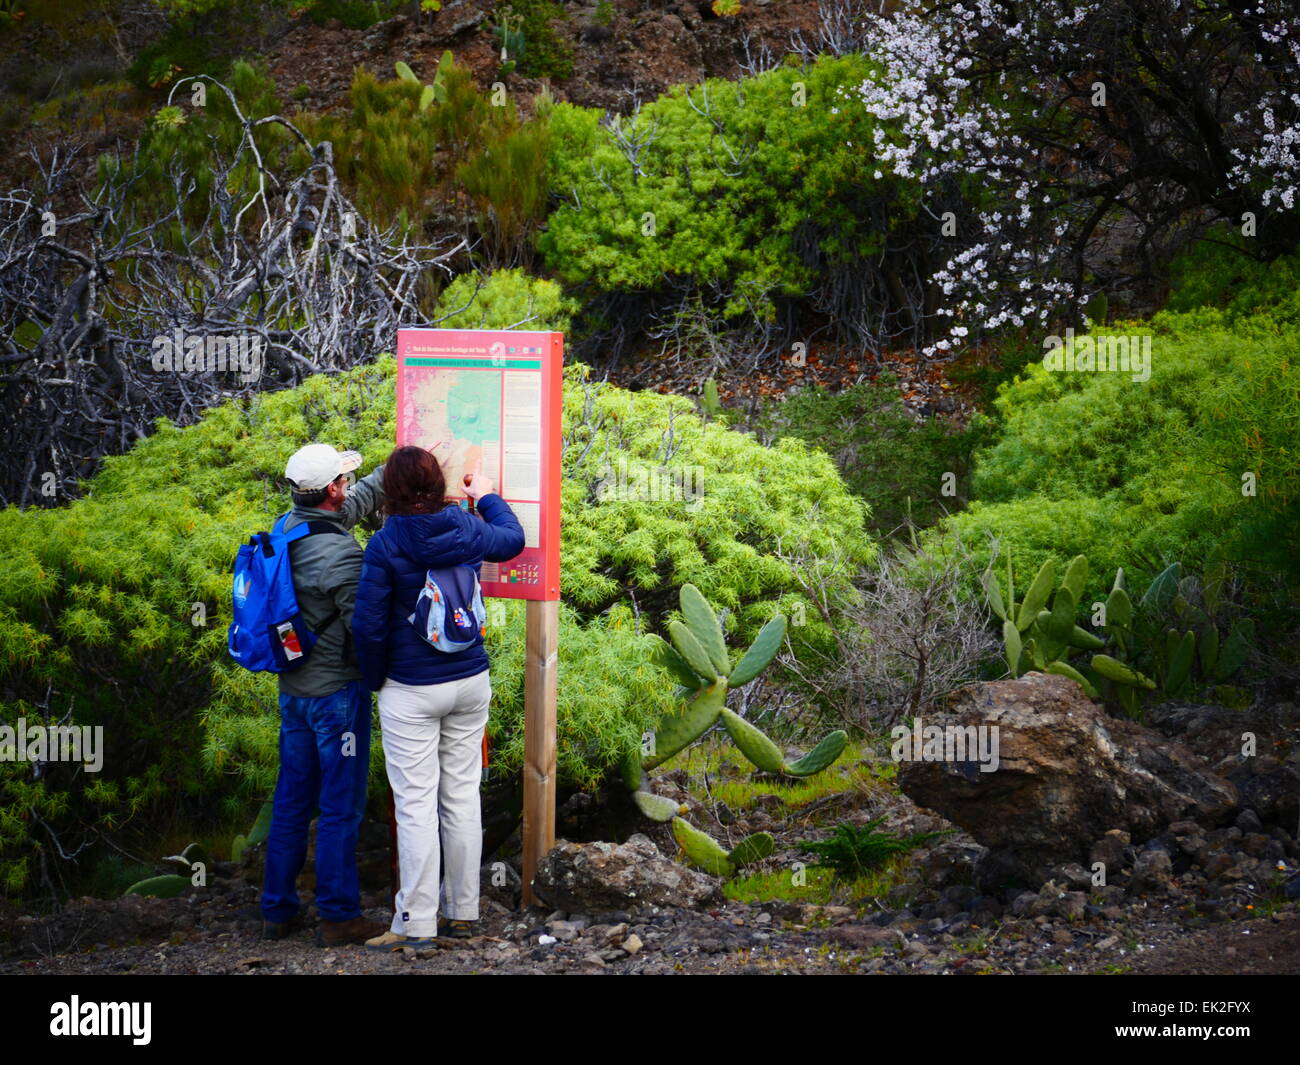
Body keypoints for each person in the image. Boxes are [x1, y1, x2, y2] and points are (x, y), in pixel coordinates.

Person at [351, 445, 524, 949]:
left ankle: (420, 923)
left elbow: (368, 625)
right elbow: (512, 541)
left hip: (411, 689)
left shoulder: (385, 545)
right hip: (470, 680)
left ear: (389, 490)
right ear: (437, 483)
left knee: (416, 805)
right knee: (462, 795)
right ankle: (464, 912)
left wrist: (377, 680)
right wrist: (486, 496)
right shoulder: (465, 527)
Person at [261, 442, 390, 947]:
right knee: (340, 807)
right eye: (344, 480)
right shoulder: (340, 552)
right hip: (336, 698)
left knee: (292, 802)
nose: (348, 488)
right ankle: (338, 916)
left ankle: (278, 910)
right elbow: (367, 629)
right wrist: (387, 680)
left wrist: (393, 469)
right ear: (332, 489)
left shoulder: (287, 527)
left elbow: (351, 506)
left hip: (293, 691)